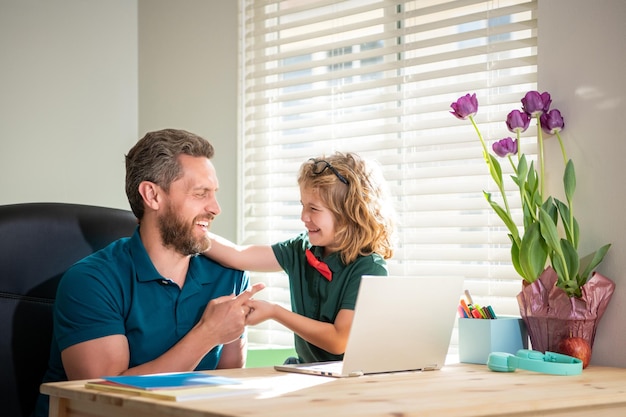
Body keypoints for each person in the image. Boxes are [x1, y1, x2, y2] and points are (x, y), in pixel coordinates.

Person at [33, 128, 264, 417]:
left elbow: (225, 386)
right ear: (152, 195)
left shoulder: (228, 276)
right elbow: (100, 401)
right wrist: (207, 335)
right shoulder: (91, 282)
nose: (215, 208)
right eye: (200, 194)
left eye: (214, 194)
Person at [206, 152, 396, 364]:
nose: (304, 217)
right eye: (303, 205)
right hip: (307, 371)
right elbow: (239, 256)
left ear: (350, 214)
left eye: (314, 209)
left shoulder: (369, 267)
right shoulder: (300, 249)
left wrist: (274, 312)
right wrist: (194, 231)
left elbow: (338, 340)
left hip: (349, 380)